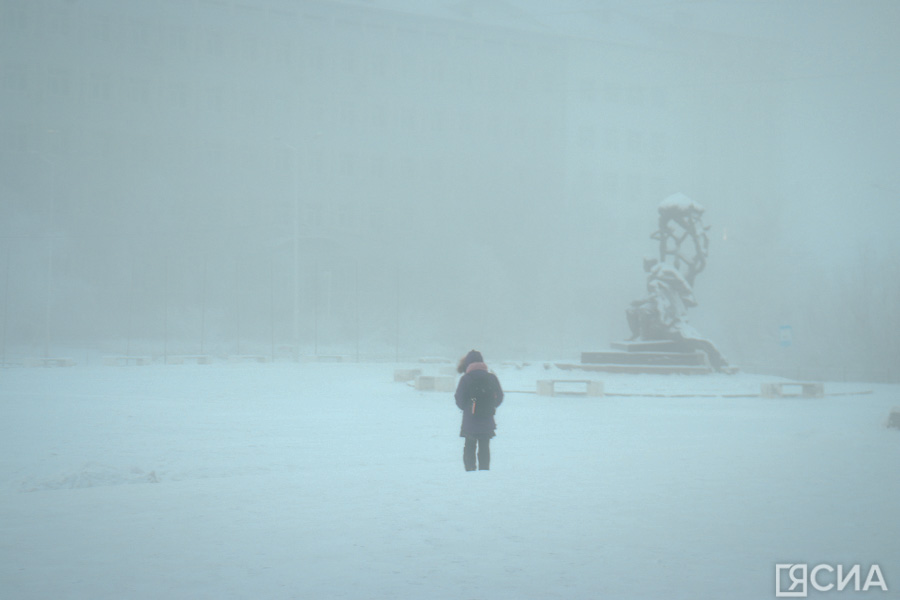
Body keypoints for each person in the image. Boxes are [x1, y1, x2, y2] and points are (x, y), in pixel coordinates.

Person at [454, 350, 503, 471]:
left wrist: (467, 408)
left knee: (469, 446)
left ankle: (470, 470)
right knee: (485, 446)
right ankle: (484, 470)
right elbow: (500, 396)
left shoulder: (466, 379)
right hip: (487, 418)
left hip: (470, 420)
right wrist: (491, 406)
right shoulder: (491, 377)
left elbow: (459, 399)